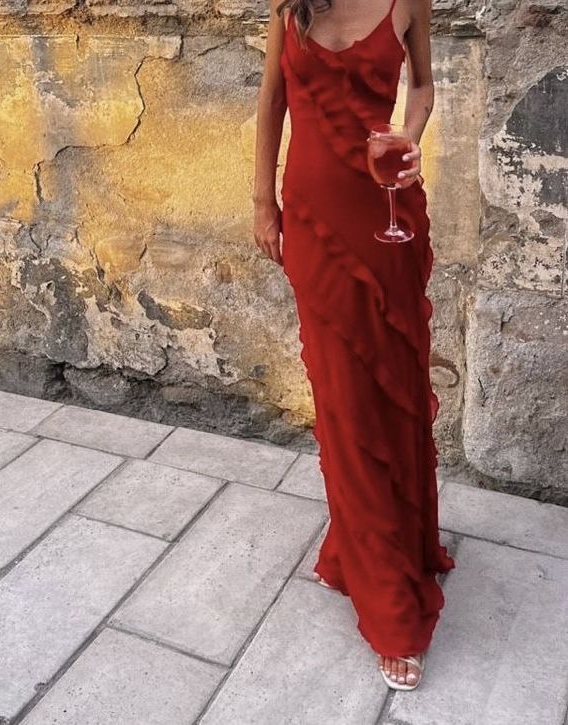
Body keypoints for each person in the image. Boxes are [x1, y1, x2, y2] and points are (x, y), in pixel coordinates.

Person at [251, 0, 456, 690]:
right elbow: (271, 105)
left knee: (389, 395)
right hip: (312, 215)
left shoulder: (409, 3)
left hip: (385, 213)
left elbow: (422, 88)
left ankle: (394, 577)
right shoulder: (292, 7)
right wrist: (262, 203)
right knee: (343, 404)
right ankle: (381, 582)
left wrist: (408, 134)